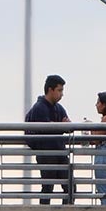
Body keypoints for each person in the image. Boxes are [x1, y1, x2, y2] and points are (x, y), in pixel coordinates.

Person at [25, 74, 74, 204]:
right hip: (46, 153)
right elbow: (46, 129)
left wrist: (64, 126)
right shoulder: (39, 108)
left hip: (59, 151)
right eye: (59, 90)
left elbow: (67, 125)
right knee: (48, 186)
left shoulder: (59, 108)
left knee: (70, 186)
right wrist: (61, 126)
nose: (62, 94)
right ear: (50, 90)